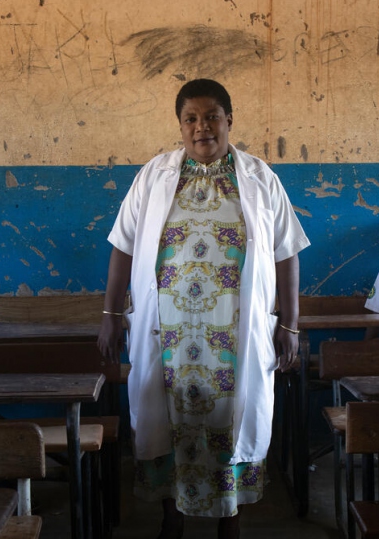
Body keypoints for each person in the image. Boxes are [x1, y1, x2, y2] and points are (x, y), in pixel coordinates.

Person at [97, 78, 310, 539]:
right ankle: (171, 517)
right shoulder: (155, 176)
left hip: (232, 340)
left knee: (230, 425)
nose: (201, 127)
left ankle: (228, 520)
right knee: (168, 422)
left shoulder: (258, 178)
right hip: (166, 335)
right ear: (180, 125)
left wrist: (290, 325)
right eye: (190, 118)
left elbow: (287, 252)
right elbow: (123, 247)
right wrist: (111, 317)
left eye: (211, 116)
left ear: (229, 120)